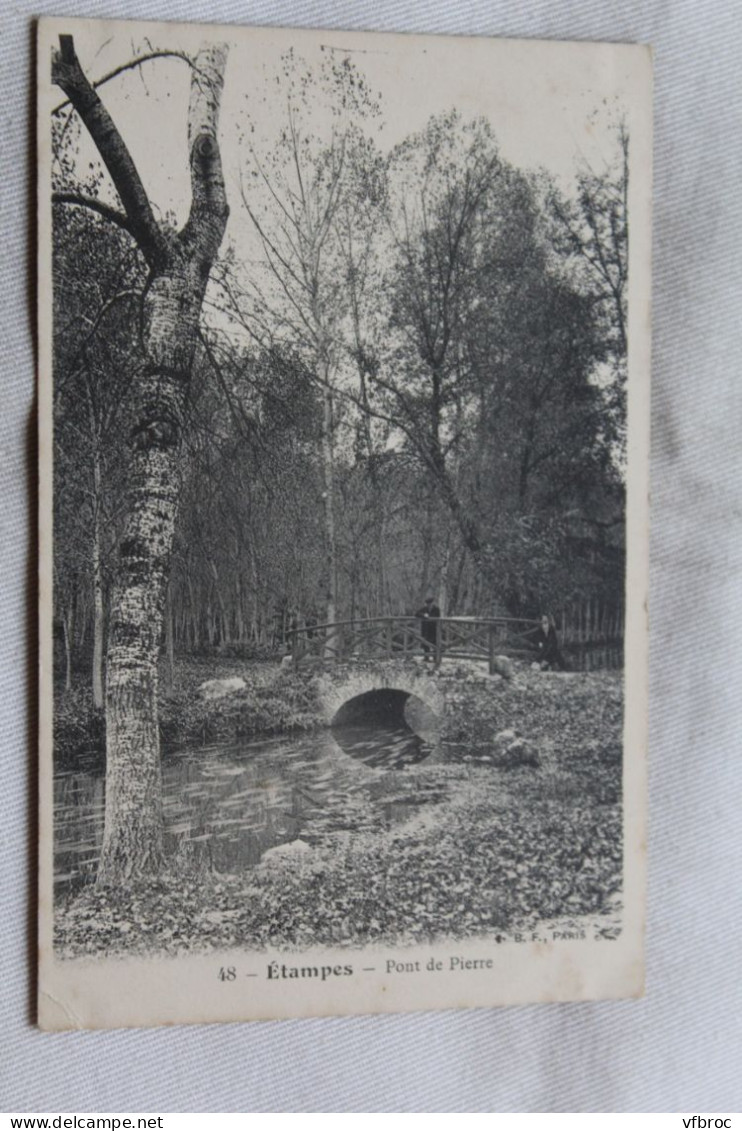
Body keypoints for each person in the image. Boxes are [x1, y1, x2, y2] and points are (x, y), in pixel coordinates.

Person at [415, 596, 440, 662]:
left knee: (434, 643)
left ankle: (435, 657)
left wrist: (429, 617)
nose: (429, 605)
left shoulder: (436, 609)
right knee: (425, 643)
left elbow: (437, 617)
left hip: (433, 629)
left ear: (432, 603)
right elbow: (416, 613)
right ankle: (426, 657)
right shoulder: (424, 609)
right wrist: (424, 615)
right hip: (426, 629)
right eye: (428, 604)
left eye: (430, 604)